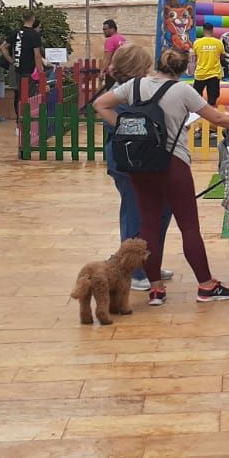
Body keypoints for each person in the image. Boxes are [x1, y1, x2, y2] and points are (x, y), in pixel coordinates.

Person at [93, 48, 229, 307]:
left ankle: (155, 289)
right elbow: (217, 118)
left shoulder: (135, 85)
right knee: (189, 226)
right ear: (185, 68)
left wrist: (125, 127)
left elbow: (99, 104)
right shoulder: (183, 91)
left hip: (140, 164)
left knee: (148, 225)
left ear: (158, 63)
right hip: (173, 163)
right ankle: (206, 285)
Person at [97, 44, 172, 290]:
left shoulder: (138, 90)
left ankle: (150, 261)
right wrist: (133, 128)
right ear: (137, 67)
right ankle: (134, 271)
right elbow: (112, 116)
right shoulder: (122, 93)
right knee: (135, 212)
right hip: (128, 160)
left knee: (155, 210)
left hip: (143, 159)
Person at [11, 12, 46, 120]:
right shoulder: (34, 35)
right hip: (29, 70)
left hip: (18, 69)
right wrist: (41, 73)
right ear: (33, 19)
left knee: (19, 95)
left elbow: (3, 47)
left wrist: (12, 60)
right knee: (29, 96)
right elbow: (37, 55)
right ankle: (26, 120)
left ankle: (19, 119)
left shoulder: (15, 33)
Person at [191, 26, 224, 106]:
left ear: (203, 31)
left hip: (200, 73)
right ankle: (211, 114)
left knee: (196, 98)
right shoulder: (219, 42)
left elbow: (194, 57)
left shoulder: (197, 42)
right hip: (214, 73)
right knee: (213, 99)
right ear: (212, 31)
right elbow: (222, 56)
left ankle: (197, 114)